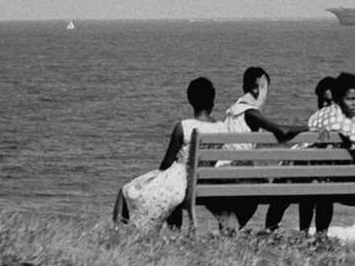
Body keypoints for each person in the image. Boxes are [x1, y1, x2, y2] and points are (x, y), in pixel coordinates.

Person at [113, 76, 225, 231]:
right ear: (212, 99)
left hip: (181, 180)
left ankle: (117, 232)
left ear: (190, 99)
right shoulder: (222, 128)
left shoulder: (184, 127)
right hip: (204, 181)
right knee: (171, 195)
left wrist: (158, 176)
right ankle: (174, 231)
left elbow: (166, 163)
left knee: (126, 190)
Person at [215, 66, 308, 231]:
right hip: (235, 174)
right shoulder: (251, 114)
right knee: (271, 186)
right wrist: (309, 128)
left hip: (221, 170)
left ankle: (229, 231)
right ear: (256, 89)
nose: (266, 95)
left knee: (258, 181)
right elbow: (282, 132)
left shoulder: (233, 110)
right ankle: (240, 231)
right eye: (265, 89)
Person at [306, 72, 355, 234]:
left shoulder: (317, 115)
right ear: (339, 98)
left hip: (303, 175)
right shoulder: (343, 122)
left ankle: (313, 234)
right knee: (326, 189)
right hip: (326, 181)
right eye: (350, 99)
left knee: (323, 187)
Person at [263, 76, 336, 232]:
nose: (323, 105)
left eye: (328, 102)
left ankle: (272, 230)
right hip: (313, 176)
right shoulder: (325, 119)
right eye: (321, 101)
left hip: (317, 177)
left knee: (305, 188)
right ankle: (313, 235)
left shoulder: (333, 120)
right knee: (310, 186)